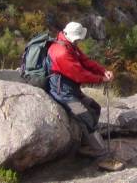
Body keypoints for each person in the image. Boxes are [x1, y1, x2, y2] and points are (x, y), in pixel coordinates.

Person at [47, 21, 114, 157]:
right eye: (77, 39)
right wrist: (101, 79)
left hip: (72, 89)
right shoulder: (61, 52)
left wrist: (102, 71)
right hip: (64, 93)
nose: (78, 41)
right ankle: (98, 150)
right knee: (86, 117)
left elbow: (85, 61)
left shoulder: (69, 45)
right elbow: (79, 75)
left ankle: (87, 138)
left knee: (95, 108)